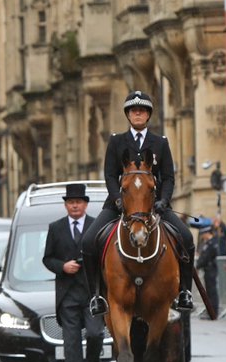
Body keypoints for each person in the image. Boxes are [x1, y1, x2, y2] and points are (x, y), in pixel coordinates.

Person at [81, 91, 194, 315]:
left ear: (148, 115)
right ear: (128, 115)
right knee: (87, 241)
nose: (138, 113)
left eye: (142, 110)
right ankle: (96, 295)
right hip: (120, 204)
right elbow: (110, 175)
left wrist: (163, 201)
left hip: (154, 205)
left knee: (187, 238)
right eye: (134, 111)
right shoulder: (116, 141)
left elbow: (169, 177)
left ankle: (184, 292)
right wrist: (117, 199)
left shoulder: (160, 143)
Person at [42, 183, 102, 362]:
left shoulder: (96, 225)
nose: (74, 205)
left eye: (78, 202)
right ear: (66, 205)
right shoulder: (55, 228)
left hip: (91, 293)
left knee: (96, 334)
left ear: (85, 204)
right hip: (67, 295)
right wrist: (63, 266)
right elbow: (47, 258)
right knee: (71, 341)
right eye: (70, 202)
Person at [196, 228, 221, 321]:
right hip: (207, 270)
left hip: (211, 270)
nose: (202, 236)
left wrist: (198, 266)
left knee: (212, 292)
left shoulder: (212, 243)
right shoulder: (207, 243)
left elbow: (206, 257)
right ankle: (210, 311)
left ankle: (213, 312)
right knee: (209, 292)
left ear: (207, 233)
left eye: (203, 234)